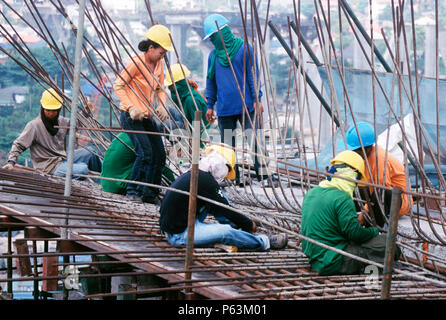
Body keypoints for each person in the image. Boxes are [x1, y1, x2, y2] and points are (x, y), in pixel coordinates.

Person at [159, 144, 288, 251]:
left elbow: (218, 206)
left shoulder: (197, 173)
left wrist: (240, 220)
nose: (226, 176)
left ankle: (233, 224)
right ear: (221, 164)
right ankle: (264, 242)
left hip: (183, 222)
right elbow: (225, 208)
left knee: (217, 199)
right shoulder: (204, 180)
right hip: (179, 234)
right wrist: (248, 224)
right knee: (225, 231)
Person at [301, 150, 401, 275]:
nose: (356, 183)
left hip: (315, 257)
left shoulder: (312, 192)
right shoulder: (342, 197)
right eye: (357, 178)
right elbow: (354, 234)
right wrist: (374, 232)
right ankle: (366, 268)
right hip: (333, 260)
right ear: (352, 174)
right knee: (389, 246)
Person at [202, 14, 274, 187]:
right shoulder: (213, 56)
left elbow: (252, 75)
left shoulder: (245, 49)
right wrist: (210, 105)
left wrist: (257, 98)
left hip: (247, 105)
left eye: (213, 37)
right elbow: (210, 82)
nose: (212, 41)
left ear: (222, 33)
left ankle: (264, 176)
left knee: (255, 140)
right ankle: (234, 178)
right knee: (228, 146)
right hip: (225, 108)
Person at [113, 24, 173, 204]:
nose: (163, 56)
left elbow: (160, 88)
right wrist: (131, 107)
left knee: (159, 154)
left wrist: (162, 105)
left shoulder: (159, 64)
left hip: (147, 115)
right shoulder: (136, 63)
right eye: (161, 52)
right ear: (151, 48)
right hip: (131, 116)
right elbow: (118, 85)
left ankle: (149, 194)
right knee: (145, 153)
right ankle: (133, 190)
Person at [2, 88, 101, 177]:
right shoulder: (34, 126)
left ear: (58, 110)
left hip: (62, 159)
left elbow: (75, 125)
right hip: (48, 168)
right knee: (82, 169)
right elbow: (19, 144)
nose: (50, 113)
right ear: (43, 108)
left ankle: (110, 175)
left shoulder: (61, 121)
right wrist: (11, 162)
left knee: (90, 152)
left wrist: (85, 112)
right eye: (48, 110)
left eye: (54, 110)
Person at [345, 121, 411, 227]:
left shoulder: (379, 159)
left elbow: (382, 189)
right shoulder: (365, 157)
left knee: (381, 192)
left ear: (366, 148)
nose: (353, 153)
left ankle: (372, 228)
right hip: (376, 195)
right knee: (349, 190)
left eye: (355, 150)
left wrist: (365, 213)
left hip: (397, 201)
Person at [100, 132, 174, 195]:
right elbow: (160, 164)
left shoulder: (123, 135)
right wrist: (174, 184)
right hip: (118, 186)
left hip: (106, 183)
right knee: (151, 166)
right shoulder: (141, 139)